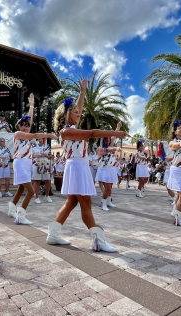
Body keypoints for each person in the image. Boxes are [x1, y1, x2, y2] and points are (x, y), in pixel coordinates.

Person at [46, 79, 130, 252]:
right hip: (76, 166)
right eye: (75, 112)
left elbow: (80, 107)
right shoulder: (66, 131)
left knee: (71, 203)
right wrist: (115, 133)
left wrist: (82, 92)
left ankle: (53, 234)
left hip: (79, 166)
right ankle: (98, 240)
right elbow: (91, 133)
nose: (78, 114)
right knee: (85, 203)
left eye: (78, 112)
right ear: (67, 114)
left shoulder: (71, 128)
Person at [7, 93, 56, 224]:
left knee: (22, 188)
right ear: (19, 126)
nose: (26, 127)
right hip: (20, 162)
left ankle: (12, 209)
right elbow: (34, 134)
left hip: (28, 163)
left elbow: (30, 119)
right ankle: (20, 217)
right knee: (31, 191)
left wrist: (32, 106)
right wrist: (49, 135)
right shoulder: (18, 134)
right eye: (24, 125)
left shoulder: (27, 134)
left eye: (28, 125)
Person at [96, 121, 122, 211]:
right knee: (107, 187)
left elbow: (113, 137)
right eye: (106, 139)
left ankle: (108, 201)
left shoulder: (110, 146)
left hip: (111, 169)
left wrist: (118, 128)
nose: (109, 140)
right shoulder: (100, 149)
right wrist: (116, 148)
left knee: (110, 187)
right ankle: (103, 203)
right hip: (104, 169)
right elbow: (107, 150)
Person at [32, 136, 53, 203]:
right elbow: (30, 155)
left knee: (47, 181)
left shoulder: (47, 146)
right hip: (37, 164)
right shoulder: (34, 145)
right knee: (37, 181)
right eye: (40, 138)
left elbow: (51, 156)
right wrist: (35, 156)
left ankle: (47, 196)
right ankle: (37, 197)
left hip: (45, 164)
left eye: (43, 138)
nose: (42, 140)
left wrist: (46, 156)